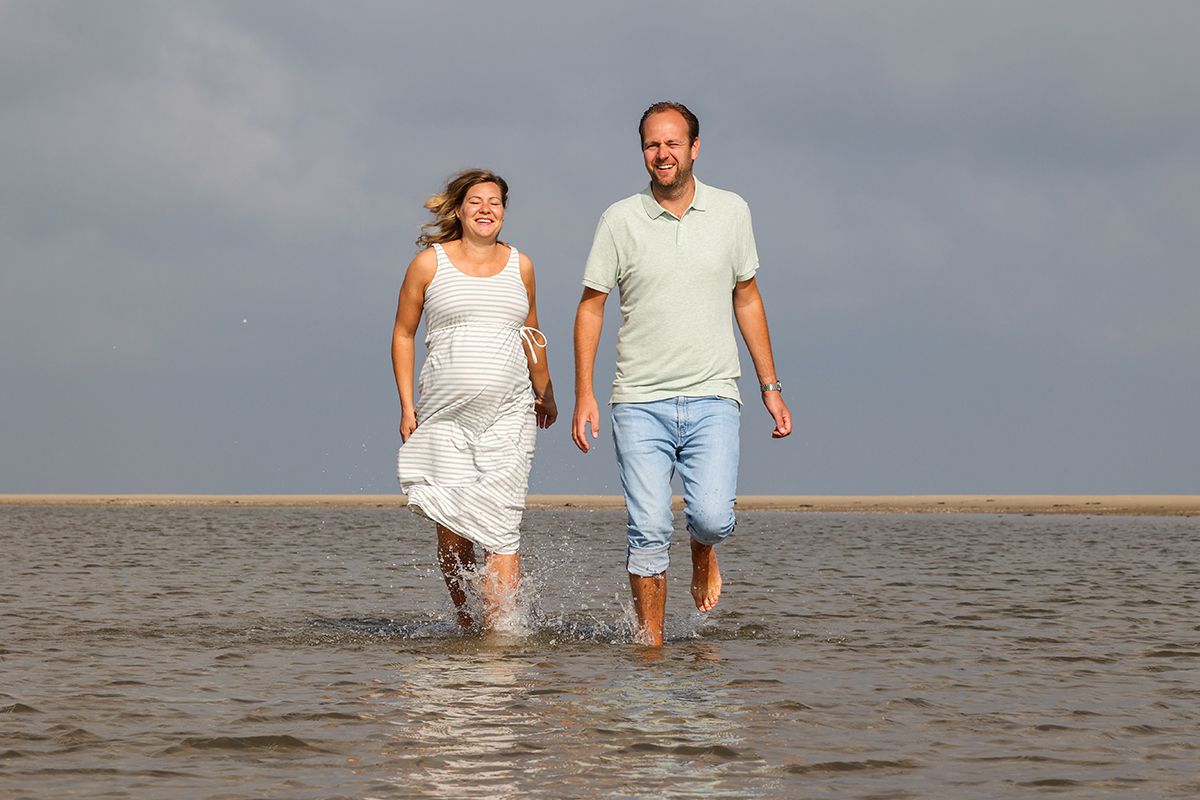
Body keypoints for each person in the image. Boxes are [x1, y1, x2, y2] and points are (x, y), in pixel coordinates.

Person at [572, 102, 791, 646]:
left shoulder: (732, 211)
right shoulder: (618, 219)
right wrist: (585, 394)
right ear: (643, 151)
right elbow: (590, 306)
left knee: (712, 517)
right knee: (647, 529)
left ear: (695, 148)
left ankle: (703, 549)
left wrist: (771, 387)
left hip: (714, 394)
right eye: (652, 144)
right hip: (638, 399)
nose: (662, 153)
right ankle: (651, 651)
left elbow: (747, 298)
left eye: (672, 143)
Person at [393, 168, 557, 631]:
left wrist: (546, 393)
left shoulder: (521, 265)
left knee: (501, 526)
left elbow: (533, 335)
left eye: (495, 202)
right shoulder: (429, 264)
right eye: (476, 201)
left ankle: (501, 640)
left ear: (504, 211)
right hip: (445, 417)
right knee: (454, 529)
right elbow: (403, 334)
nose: (486, 210)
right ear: (460, 209)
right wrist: (407, 406)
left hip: (510, 414)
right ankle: (466, 615)